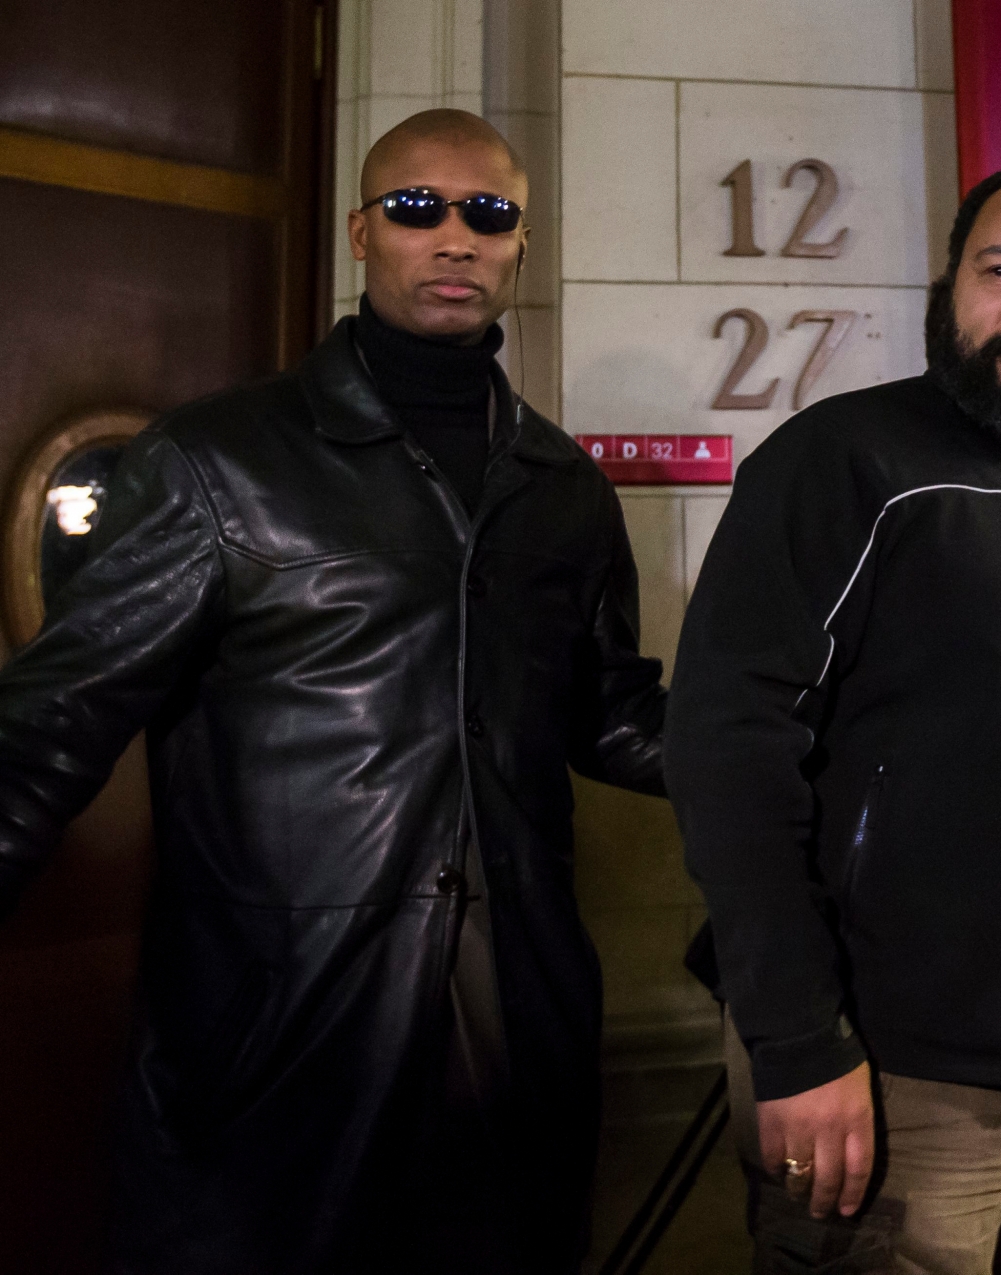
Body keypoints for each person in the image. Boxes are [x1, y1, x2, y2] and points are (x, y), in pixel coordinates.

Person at [0, 108, 668, 1274]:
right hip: (283, 1021)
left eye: (488, 213)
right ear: (364, 232)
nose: (453, 237)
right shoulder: (220, 460)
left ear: (520, 245)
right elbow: (50, 722)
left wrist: (811, 750)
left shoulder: (563, 488)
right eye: (418, 208)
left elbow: (611, 717)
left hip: (513, 1011)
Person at [663, 155, 1001, 1275]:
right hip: (900, 1090)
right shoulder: (842, 463)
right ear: (947, 287)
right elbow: (728, 754)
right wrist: (797, 1045)